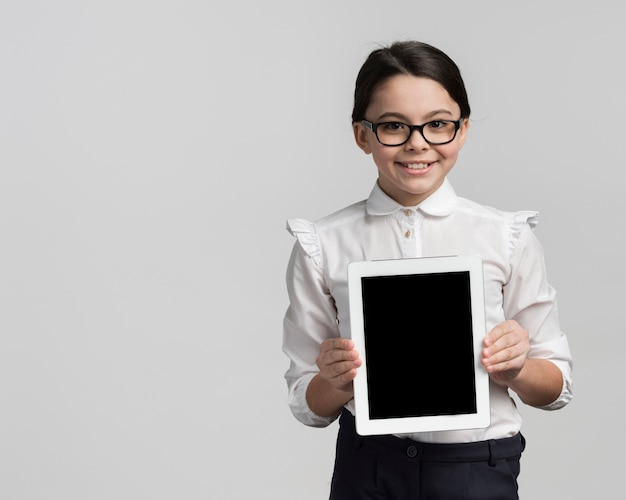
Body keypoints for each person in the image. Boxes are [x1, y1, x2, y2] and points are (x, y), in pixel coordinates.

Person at [282, 40, 573, 499]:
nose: (418, 142)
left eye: (438, 124)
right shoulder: (323, 244)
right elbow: (308, 404)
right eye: (394, 126)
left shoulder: (505, 237)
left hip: (476, 469)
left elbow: (555, 387)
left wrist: (516, 368)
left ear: (462, 130)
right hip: (369, 468)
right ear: (363, 134)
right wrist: (334, 381)